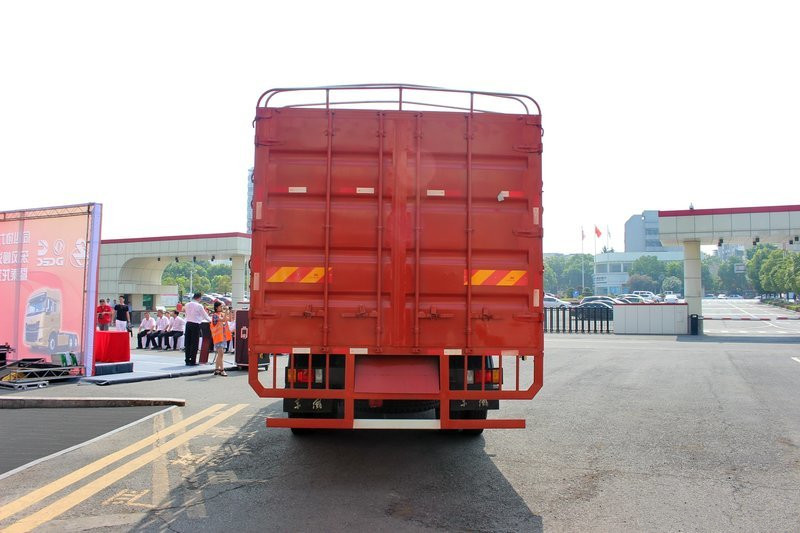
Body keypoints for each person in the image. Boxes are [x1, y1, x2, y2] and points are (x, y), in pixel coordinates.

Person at [184, 292, 209, 366]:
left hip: (188, 323)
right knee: (194, 343)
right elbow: (205, 316)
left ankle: (187, 360)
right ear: (199, 298)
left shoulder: (187, 304)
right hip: (195, 324)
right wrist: (211, 320)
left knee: (188, 343)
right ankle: (193, 361)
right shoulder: (199, 305)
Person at [209, 301, 230, 376]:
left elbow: (229, 319)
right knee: (221, 353)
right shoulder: (215, 315)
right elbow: (223, 320)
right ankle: (222, 370)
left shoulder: (221, 314)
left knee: (220, 354)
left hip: (222, 337)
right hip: (217, 337)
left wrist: (229, 311)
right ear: (216, 307)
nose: (222, 307)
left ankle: (216, 369)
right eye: (220, 306)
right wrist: (226, 311)